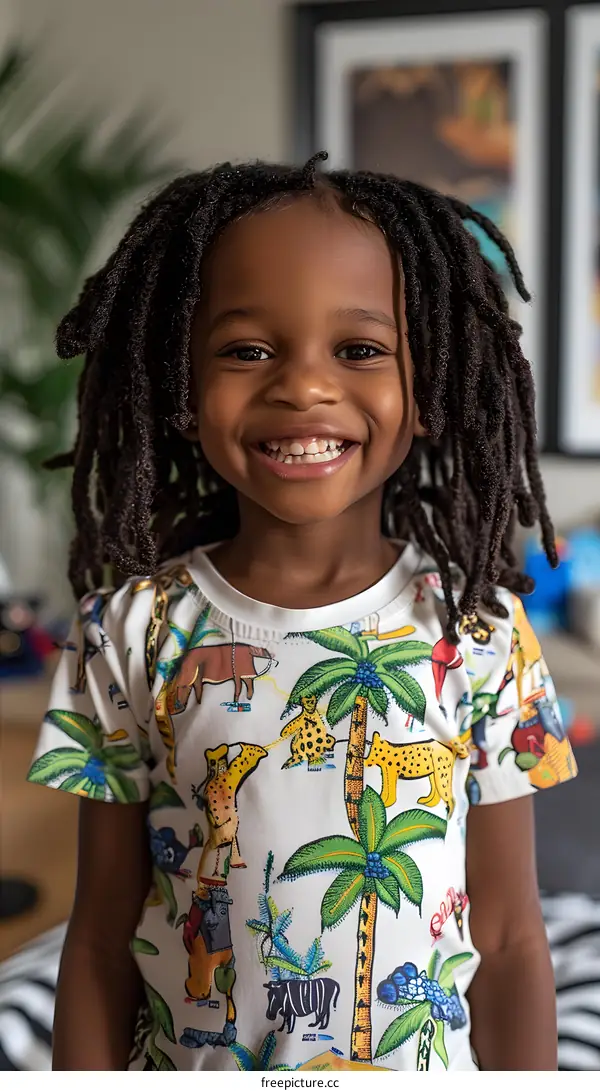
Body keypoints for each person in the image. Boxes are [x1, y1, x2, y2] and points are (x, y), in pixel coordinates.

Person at [28, 153, 577, 1072]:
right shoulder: (126, 634)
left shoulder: (480, 635)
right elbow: (95, 940)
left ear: (431, 388)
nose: (303, 386)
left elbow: (517, 940)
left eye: (360, 350)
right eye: (248, 349)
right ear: (179, 385)